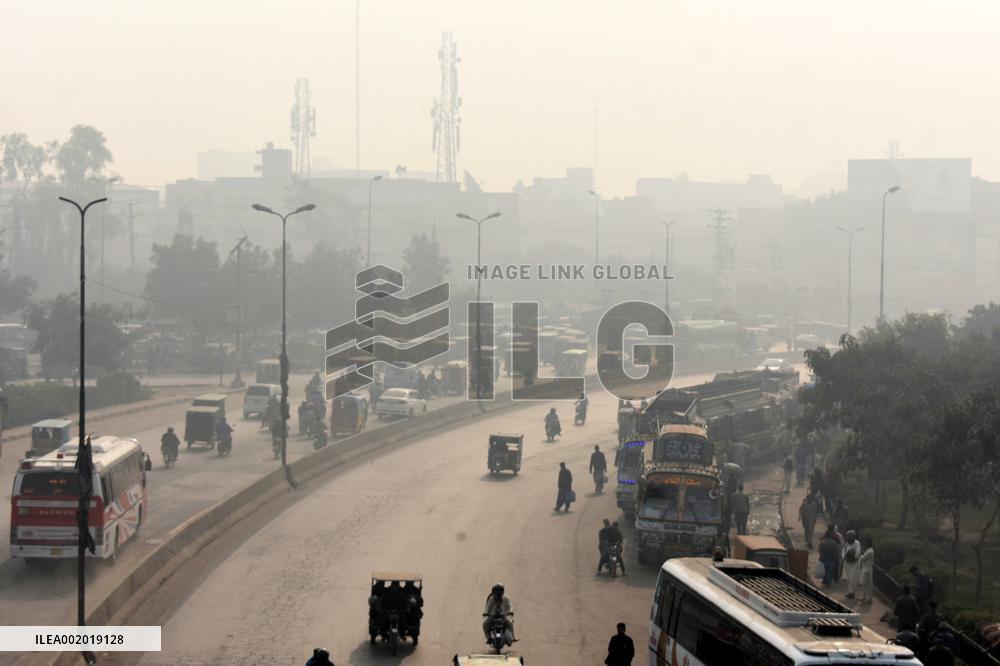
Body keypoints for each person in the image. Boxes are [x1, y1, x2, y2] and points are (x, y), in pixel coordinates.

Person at [841, 530, 862, 599]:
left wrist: (853, 557)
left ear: (853, 536)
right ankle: (850, 592)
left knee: (852, 578)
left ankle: (852, 592)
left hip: (854, 564)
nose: (848, 538)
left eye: (850, 536)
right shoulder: (847, 543)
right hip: (847, 563)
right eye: (848, 536)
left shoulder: (857, 543)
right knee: (848, 577)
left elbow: (858, 552)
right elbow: (843, 550)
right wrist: (844, 557)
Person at [859, 537, 875, 604]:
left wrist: (861, 554)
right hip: (865, 569)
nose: (864, 544)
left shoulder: (870, 551)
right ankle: (865, 597)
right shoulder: (868, 550)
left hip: (867, 570)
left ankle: (868, 598)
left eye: (866, 543)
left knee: (867, 584)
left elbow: (862, 559)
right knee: (864, 584)